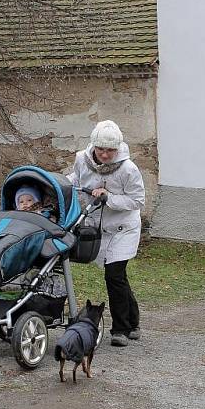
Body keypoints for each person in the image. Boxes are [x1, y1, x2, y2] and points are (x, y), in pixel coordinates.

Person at [67, 120, 145, 348]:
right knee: (118, 277)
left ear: (117, 148)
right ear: (94, 146)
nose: (105, 154)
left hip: (124, 227)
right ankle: (133, 322)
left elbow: (138, 200)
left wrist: (108, 197)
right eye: (101, 149)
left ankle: (119, 329)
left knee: (114, 274)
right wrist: (60, 182)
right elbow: (77, 179)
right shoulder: (82, 158)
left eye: (110, 150)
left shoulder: (128, 168)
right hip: (99, 226)